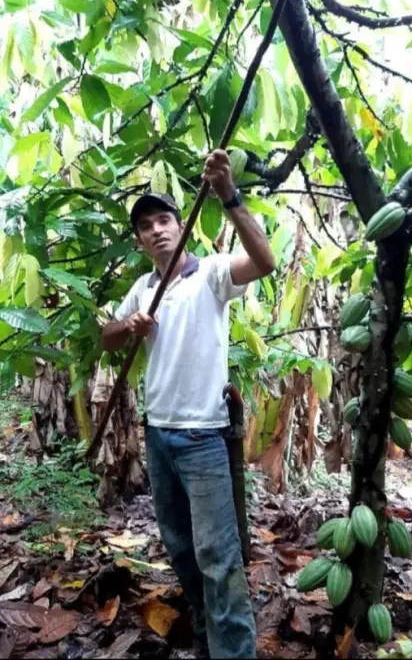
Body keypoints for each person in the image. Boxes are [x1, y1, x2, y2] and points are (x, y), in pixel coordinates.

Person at [101, 149, 276, 659]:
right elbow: (109, 337)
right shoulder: (143, 288)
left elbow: (264, 261)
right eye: (145, 226)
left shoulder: (212, 274)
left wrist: (229, 196)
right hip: (158, 434)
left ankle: (234, 651)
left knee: (218, 556)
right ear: (138, 242)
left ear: (181, 227)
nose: (156, 230)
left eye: (163, 220)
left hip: (201, 437)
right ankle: (206, 634)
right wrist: (128, 324)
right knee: (180, 547)